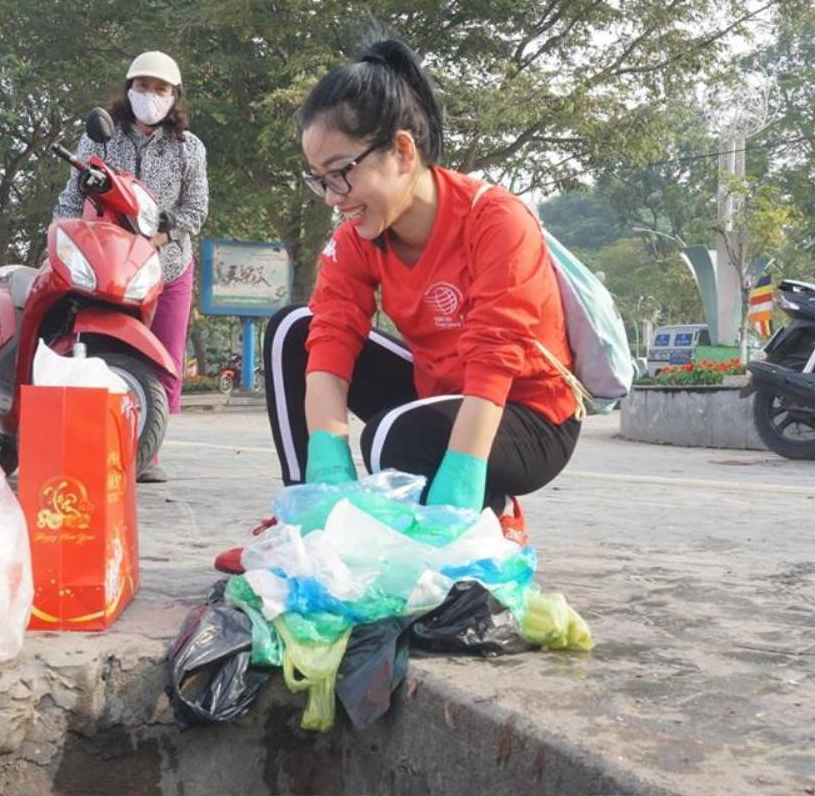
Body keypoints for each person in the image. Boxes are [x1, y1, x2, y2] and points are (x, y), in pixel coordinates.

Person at [215, 38, 582, 573]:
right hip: (439, 393)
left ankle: (488, 509)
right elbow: (333, 336)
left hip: (527, 414)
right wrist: (328, 466)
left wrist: (462, 473)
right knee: (297, 327)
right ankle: (308, 522)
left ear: (403, 152)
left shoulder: (496, 221)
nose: (332, 196)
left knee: (395, 437)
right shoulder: (357, 238)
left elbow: (494, 355)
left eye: (341, 172)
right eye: (318, 179)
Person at [53, 51, 208, 483]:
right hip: (106, 266)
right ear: (128, 90)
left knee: (164, 358)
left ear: (174, 96)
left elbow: (195, 210)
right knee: (91, 346)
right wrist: (60, 237)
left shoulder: (189, 148)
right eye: (142, 86)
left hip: (166, 265)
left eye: (160, 89)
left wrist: (155, 239)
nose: (150, 96)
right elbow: (72, 194)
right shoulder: (101, 137)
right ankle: (84, 437)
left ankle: (148, 450)